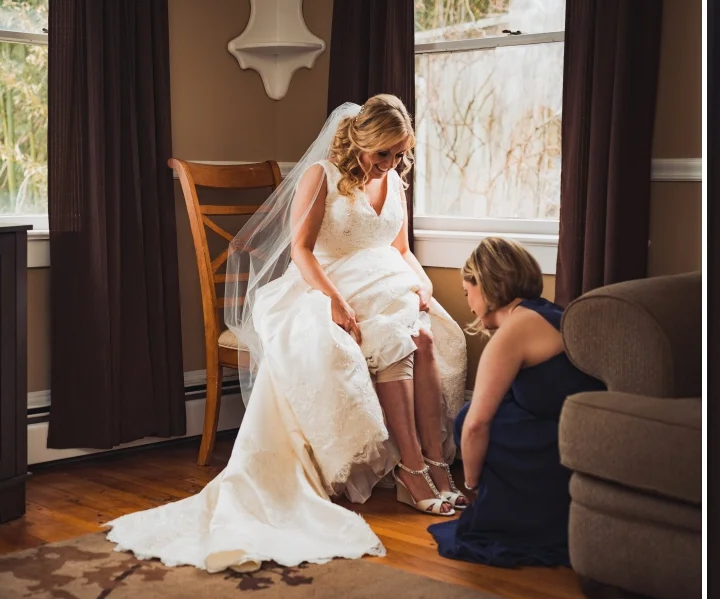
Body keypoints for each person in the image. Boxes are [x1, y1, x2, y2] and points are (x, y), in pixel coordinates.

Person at [104, 95, 470, 573]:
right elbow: (300, 250)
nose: (392, 164)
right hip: (330, 286)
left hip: (390, 285)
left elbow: (399, 248)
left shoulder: (394, 182)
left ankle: (435, 464)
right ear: (361, 142)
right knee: (396, 345)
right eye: (384, 154)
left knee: (427, 339)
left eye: (400, 154)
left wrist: (422, 282)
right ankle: (413, 472)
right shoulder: (321, 177)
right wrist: (335, 301)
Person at [428, 237, 605, 567]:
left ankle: (511, 517)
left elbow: (477, 424)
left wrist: (471, 485)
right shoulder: (547, 311)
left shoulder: (516, 328)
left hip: (561, 447)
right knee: (476, 414)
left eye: (468, 293)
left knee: (468, 420)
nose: (469, 304)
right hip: (575, 434)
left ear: (484, 284)